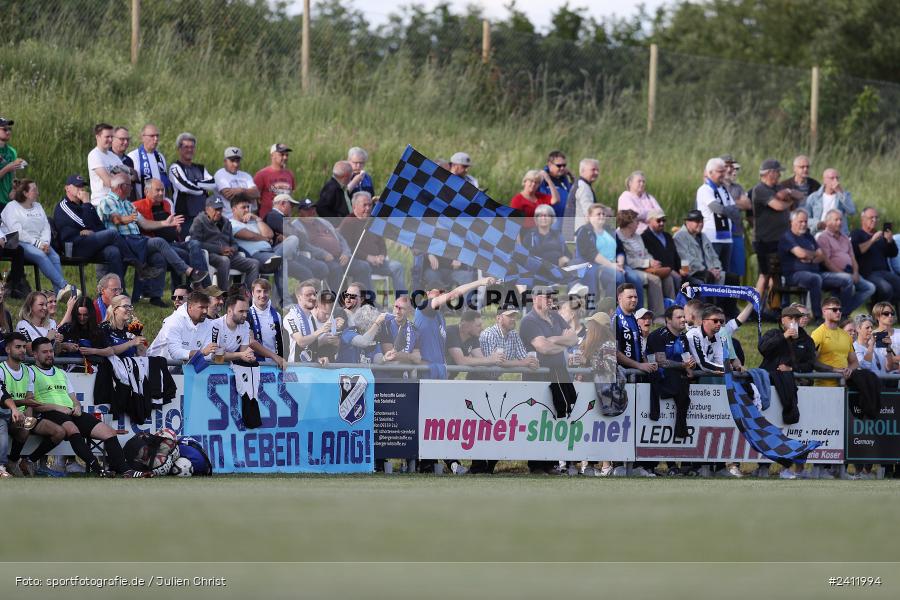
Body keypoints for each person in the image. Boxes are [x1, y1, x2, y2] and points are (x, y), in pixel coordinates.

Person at [29, 336, 144, 477]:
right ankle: (99, 470)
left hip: (69, 412)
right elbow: (31, 403)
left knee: (108, 432)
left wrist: (77, 407)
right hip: (49, 413)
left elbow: (73, 398)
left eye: (51, 351)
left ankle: (125, 470)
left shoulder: (61, 372)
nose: (49, 355)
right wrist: (57, 407)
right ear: (35, 354)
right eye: (44, 352)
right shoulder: (30, 372)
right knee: (72, 429)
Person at [98, 174, 207, 304]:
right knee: (159, 242)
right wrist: (130, 218)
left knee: (160, 256)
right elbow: (116, 220)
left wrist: (165, 223)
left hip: (137, 240)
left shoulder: (127, 204)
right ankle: (189, 272)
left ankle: (156, 297)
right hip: (123, 241)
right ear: (121, 187)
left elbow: (145, 224)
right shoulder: (108, 201)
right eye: (129, 185)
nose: (132, 188)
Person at [54, 174, 160, 284]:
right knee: (112, 233)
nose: (81, 189)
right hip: (74, 247)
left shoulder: (85, 205)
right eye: (77, 186)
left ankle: (118, 290)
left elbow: (98, 225)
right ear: (67, 188)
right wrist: (86, 204)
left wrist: (93, 230)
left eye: (82, 186)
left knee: (114, 252)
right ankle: (139, 265)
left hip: (88, 242)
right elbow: (85, 223)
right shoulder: (64, 206)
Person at [520, 285, 579, 474]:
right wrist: (560, 343)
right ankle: (537, 465)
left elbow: (573, 338)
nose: (550, 299)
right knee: (537, 421)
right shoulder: (529, 321)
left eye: (551, 296)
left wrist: (552, 339)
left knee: (555, 417)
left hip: (558, 374)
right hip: (537, 378)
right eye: (546, 296)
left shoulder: (555, 316)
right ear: (535, 298)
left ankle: (551, 462)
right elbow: (543, 348)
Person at [2, 332, 66, 477]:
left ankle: (27, 461)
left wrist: (28, 418)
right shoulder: (1, 369)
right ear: (7, 349)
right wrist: (22, 409)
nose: (22, 350)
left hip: (22, 415)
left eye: (24, 347)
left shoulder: (28, 370)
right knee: (24, 427)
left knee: (59, 432)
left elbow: (29, 400)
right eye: (18, 347)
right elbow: (4, 399)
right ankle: (11, 462)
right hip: (4, 414)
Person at [645, 305, 698, 474]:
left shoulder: (683, 338)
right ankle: (655, 465)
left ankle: (684, 463)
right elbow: (661, 362)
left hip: (678, 382)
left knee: (684, 399)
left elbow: (687, 360)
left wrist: (690, 367)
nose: (683, 320)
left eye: (684, 317)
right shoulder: (657, 336)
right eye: (679, 317)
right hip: (658, 381)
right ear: (668, 320)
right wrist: (683, 365)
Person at [613, 283, 658, 477]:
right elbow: (614, 352)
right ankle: (618, 464)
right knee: (621, 422)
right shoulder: (615, 319)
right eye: (629, 297)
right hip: (623, 379)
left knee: (638, 421)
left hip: (637, 378)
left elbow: (639, 349)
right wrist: (638, 365)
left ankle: (636, 464)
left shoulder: (633, 319)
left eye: (635, 297)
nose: (633, 300)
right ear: (619, 298)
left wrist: (646, 363)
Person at [4, 180, 76, 297]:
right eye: (34, 190)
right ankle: (64, 286)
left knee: (55, 257)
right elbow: (17, 232)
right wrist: (37, 244)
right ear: (25, 193)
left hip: (41, 242)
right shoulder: (11, 207)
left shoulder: (38, 206)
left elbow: (45, 226)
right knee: (41, 255)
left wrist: (45, 242)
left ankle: (60, 294)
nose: (37, 193)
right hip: (20, 242)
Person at [778, 209, 853, 321]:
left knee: (847, 279)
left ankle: (843, 315)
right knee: (815, 279)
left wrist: (810, 259)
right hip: (795, 275)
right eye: (800, 221)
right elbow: (801, 253)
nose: (804, 224)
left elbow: (821, 255)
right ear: (791, 222)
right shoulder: (787, 237)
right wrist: (812, 254)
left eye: (805, 221)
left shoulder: (808, 236)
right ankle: (818, 317)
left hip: (816, 272)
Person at [338, 191, 408, 296]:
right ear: (355, 206)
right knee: (365, 266)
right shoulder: (348, 222)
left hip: (377, 262)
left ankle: (402, 300)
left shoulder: (373, 221)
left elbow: (382, 244)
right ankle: (371, 301)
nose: (368, 208)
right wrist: (368, 257)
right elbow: (347, 247)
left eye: (370, 205)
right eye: (364, 205)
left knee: (397, 267)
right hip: (359, 262)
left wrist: (382, 256)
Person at [296, 199, 370, 291]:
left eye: (313, 208)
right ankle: (336, 298)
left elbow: (341, 239)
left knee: (363, 266)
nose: (311, 212)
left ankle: (364, 297)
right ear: (300, 212)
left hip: (340, 257)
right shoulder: (297, 226)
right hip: (320, 259)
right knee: (336, 269)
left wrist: (346, 253)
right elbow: (304, 245)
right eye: (307, 210)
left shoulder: (323, 222)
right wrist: (323, 254)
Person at [751, 158, 800, 295]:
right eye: (778, 172)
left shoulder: (778, 187)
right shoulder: (760, 189)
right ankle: (755, 304)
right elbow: (778, 206)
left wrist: (788, 192)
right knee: (764, 275)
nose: (779, 175)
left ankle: (773, 305)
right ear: (770, 173)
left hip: (779, 240)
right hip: (764, 240)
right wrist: (789, 202)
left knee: (777, 275)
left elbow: (799, 195)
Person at [575, 205, 642, 304]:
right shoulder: (584, 231)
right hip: (596, 265)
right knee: (618, 277)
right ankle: (609, 308)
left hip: (616, 264)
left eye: (603, 214)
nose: (602, 216)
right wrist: (611, 265)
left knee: (636, 279)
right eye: (598, 214)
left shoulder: (610, 230)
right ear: (589, 217)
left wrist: (620, 263)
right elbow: (591, 254)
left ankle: (637, 310)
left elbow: (620, 250)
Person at [189, 197, 261, 288]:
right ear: (207, 209)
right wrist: (219, 249)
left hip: (230, 255)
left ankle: (248, 294)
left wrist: (233, 248)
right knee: (224, 260)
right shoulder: (199, 221)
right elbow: (196, 243)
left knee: (254, 263)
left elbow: (234, 242)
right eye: (216, 209)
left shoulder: (226, 222)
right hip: (210, 255)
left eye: (220, 209)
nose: (219, 212)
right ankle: (223, 293)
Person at [817, 209, 876, 314]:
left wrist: (856, 273)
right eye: (836, 220)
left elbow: (852, 258)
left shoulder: (844, 237)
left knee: (870, 288)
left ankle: (844, 312)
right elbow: (827, 262)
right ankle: (842, 314)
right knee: (848, 281)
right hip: (831, 273)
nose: (840, 222)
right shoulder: (823, 238)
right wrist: (843, 274)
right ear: (828, 222)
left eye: (841, 220)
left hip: (849, 271)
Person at [266, 195, 331, 286]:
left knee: (322, 268)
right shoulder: (273, 216)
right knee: (306, 274)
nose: (292, 209)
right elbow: (294, 234)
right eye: (291, 205)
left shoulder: (282, 218)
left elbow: (302, 238)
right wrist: (293, 234)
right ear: (283, 204)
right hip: (281, 258)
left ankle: (303, 293)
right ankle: (304, 294)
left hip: (293, 255)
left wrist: (291, 234)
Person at [617, 209, 672, 316]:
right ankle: (657, 314)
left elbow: (645, 252)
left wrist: (652, 261)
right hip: (631, 268)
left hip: (645, 267)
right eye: (636, 221)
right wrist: (647, 263)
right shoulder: (618, 236)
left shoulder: (637, 236)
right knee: (654, 279)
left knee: (668, 278)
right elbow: (628, 261)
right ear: (629, 223)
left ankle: (671, 311)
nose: (638, 223)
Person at [147, 291, 216, 362]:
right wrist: (201, 353)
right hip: (157, 365)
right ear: (190, 307)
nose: (205, 311)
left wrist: (214, 355)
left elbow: (208, 354)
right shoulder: (173, 321)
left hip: (186, 366)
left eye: (206, 307)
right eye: (201, 307)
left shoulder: (208, 323)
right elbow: (175, 353)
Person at [168, 132, 216, 234]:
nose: (189, 150)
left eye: (192, 147)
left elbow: (213, 184)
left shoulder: (200, 168)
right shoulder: (175, 167)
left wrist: (195, 182)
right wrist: (202, 189)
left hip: (204, 215)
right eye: (186, 147)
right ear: (179, 149)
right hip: (184, 218)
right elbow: (185, 187)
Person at [851, 207, 900, 304]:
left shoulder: (881, 236)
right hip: (867, 273)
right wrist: (872, 240)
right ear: (863, 219)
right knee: (886, 289)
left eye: (876, 218)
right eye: (871, 218)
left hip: (884, 272)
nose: (874, 220)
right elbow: (856, 251)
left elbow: (893, 254)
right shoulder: (857, 234)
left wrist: (889, 241)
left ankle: (885, 308)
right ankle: (878, 308)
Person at [478, 305, 539, 379]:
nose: (513, 319)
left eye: (514, 316)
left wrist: (532, 362)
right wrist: (522, 363)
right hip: (477, 378)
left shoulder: (514, 335)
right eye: (509, 316)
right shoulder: (489, 334)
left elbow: (524, 357)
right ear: (498, 318)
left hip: (493, 379)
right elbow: (494, 361)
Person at [810, 297, 859, 388]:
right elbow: (812, 361)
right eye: (834, 309)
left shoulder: (845, 335)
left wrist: (849, 369)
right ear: (824, 311)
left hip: (843, 386)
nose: (838, 312)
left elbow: (855, 362)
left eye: (840, 309)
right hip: (824, 387)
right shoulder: (818, 334)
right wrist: (834, 370)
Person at [695, 157, 735, 268]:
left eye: (724, 171)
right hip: (711, 238)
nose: (723, 174)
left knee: (724, 273)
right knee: (712, 272)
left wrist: (727, 210)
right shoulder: (704, 189)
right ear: (710, 172)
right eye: (720, 171)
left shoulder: (724, 190)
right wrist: (728, 210)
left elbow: (735, 210)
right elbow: (717, 208)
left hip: (727, 238)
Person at [283, 280, 331, 363]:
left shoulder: (311, 317)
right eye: (308, 295)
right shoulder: (291, 317)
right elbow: (301, 342)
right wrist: (321, 330)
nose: (313, 298)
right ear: (299, 297)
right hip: (293, 367)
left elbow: (310, 345)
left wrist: (318, 360)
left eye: (314, 294)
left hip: (308, 368)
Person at [720, 155, 752, 277]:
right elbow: (715, 205)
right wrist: (737, 202)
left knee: (737, 271)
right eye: (726, 166)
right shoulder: (715, 187)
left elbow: (747, 204)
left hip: (736, 233)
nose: (729, 169)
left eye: (731, 166)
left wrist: (726, 202)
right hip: (720, 234)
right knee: (722, 271)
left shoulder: (737, 187)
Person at [445, 310, 500, 378]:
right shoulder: (451, 332)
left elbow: (481, 360)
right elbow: (461, 361)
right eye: (478, 325)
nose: (482, 329)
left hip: (447, 379)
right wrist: (490, 359)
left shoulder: (473, 337)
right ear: (465, 324)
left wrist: (494, 357)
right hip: (434, 378)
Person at [641, 209, 684, 292]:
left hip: (674, 271)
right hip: (659, 271)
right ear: (649, 221)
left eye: (663, 220)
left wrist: (680, 269)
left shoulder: (667, 236)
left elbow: (675, 256)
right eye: (658, 220)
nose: (661, 223)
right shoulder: (644, 237)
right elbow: (651, 259)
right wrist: (669, 270)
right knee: (673, 279)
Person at [805, 169, 856, 235]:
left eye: (837, 178)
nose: (836, 181)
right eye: (832, 178)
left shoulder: (845, 195)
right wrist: (817, 224)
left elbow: (852, 211)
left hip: (839, 234)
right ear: (825, 180)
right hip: (819, 233)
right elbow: (806, 218)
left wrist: (840, 192)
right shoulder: (814, 197)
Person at [214, 146, 260, 220]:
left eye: (237, 161)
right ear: (225, 161)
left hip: (248, 218)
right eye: (232, 161)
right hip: (229, 219)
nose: (235, 164)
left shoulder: (246, 175)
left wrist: (241, 190)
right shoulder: (220, 174)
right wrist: (249, 195)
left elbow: (256, 194)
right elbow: (228, 195)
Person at [126, 123, 169, 200]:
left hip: (161, 202)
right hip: (141, 202)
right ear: (142, 137)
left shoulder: (160, 157)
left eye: (157, 136)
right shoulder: (133, 156)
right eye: (152, 136)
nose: (156, 139)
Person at [521, 204, 570, 269]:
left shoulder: (558, 235)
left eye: (547, 215)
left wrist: (566, 259)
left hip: (560, 270)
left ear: (552, 218)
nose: (543, 218)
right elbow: (526, 258)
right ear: (536, 219)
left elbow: (567, 254)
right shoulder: (530, 236)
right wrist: (556, 262)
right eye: (540, 216)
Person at [254, 143, 295, 220]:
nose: (285, 157)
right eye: (281, 154)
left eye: (287, 155)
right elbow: (255, 198)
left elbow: (291, 195)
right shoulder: (262, 174)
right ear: (272, 155)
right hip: (268, 218)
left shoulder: (289, 174)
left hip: (285, 219)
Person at [247, 279, 285, 362]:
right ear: (252, 293)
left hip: (275, 364)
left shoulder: (277, 315)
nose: (262, 295)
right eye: (259, 291)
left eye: (265, 291)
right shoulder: (247, 315)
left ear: (270, 293)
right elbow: (250, 342)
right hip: (254, 364)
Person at [87, 123, 123, 205]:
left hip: (117, 202)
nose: (110, 140)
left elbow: (127, 178)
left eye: (112, 137)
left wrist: (114, 177)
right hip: (101, 203)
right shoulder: (94, 155)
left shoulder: (114, 156)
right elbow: (109, 182)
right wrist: (117, 178)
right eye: (107, 137)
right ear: (97, 137)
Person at [567, 158, 601, 235]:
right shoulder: (583, 187)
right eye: (593, 170)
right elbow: (590, 212)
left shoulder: (579, 184)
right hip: (579, 233)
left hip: (572, 231)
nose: (596, 173)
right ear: (583, 171)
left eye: (597, 170)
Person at [539, 150, 573, 219]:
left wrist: (572, 176)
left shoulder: (564, 180)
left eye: (564, 165)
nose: (562, 168)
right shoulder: (542, 179)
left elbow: (577, 193)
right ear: (550, 165)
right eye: (559, 166)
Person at [0, 116, 23, 207]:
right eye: (4, 129)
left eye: (9, 129)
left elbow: (13, 176)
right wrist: (7, 168)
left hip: (8, 201)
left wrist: (15, 188)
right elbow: (9, 169)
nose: (8, 132)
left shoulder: (12, 151)